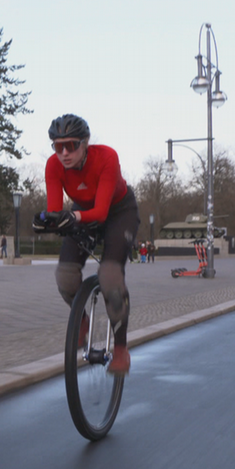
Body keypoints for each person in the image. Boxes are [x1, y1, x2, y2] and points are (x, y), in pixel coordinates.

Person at [33, 114, 139, 374]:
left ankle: (121, 349)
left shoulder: (107, 157)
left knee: (110, 276)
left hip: (118, 211)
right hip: (82, 210)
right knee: (65, 276)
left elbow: (101, 213)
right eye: (58, 147)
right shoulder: (53, 166)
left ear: (86, 143)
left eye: (72, 145)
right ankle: (81, 319)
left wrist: (71, 217)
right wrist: (46, 221)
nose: (65, 153)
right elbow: (57, 211)